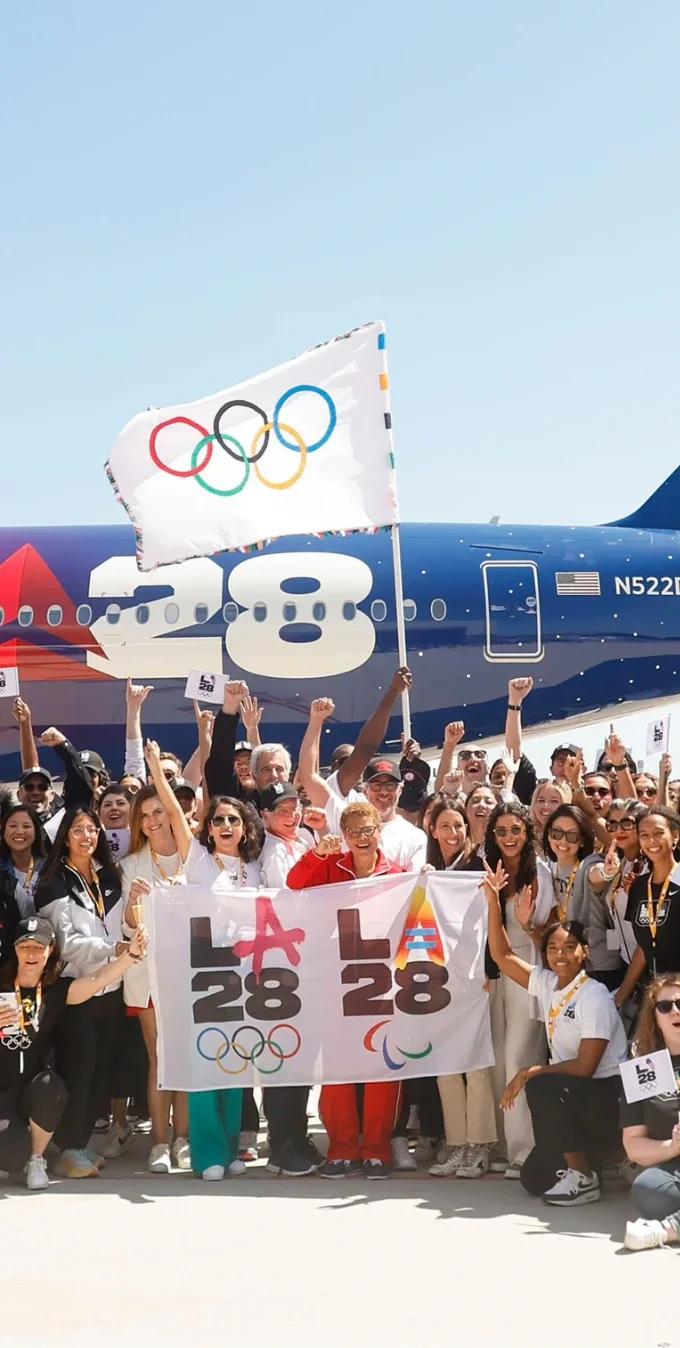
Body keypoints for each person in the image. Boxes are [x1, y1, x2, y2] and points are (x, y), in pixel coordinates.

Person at [133, 755, 263, 1181]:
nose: (226, 826)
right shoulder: (199, 861)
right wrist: (155, 766)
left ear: (244, 828)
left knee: (237, 1062)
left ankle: (229, 1150)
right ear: (207, 828)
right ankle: (207, 1153)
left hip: (243, 979)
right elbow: (172, 809)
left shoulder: (257, 868)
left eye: (234, 820)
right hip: (203, 977)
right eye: (219, 820)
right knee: (207, 1061)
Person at [483, 871, 627, 1205]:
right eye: (552, 948)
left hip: (606, 1096)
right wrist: (493, 903)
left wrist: (530, 1071)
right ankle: (588, 1158)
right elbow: (502, 956)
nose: (560, 954)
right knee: (535, 1180)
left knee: (540, 1085)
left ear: (584, 952)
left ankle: (587, 1176)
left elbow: (587, 1067)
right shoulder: (550, 984)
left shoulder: (595, 996)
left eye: (569, 947)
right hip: (576, 1094)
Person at [287, 801, 405, 1179]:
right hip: (335, 981)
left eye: (367, 829)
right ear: (344, 834)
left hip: (380, 982)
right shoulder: (330, 866)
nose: (361, 838)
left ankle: (376, 1149)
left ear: (379, 830)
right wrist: (316, 851)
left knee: (381, 1067)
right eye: (353, 831)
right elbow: (293, 884)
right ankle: (341, 1148)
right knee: (337, 1068)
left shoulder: (398, 873)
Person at [0, 915, 147, 1191]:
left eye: (38, 947)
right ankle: (16, 1152)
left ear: (50, 950)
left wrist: (131, 955)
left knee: (52, 1087)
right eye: (24, 947)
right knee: (9, 1154)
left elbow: (96, 979)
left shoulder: (54, 992)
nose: (31, 954)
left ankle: (36, 1159)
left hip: (31, 1089)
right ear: (15, 950)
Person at [33, 809, 128, 1178]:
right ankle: (67, 1147)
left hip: (112, 986)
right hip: (76, 990)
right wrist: (113, 948)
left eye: (92, 829)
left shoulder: (107, 875)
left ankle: (82, 1140)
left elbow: (120, 920)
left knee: (101, 1069)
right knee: (78, 1069)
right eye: (77, 830)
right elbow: (67, 945)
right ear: (65, 838)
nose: (86, 836)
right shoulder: (54, 881)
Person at [119, 756, 191, 1174]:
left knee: (182, 1053)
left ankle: (183, 1137)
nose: (151, 820)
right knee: (158, 1056)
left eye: (158, 811)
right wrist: (133, 903)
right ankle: (159, 1142)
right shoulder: (130, 865)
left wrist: (155, 770)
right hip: (147, 974)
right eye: (143, 816)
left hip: (189, 973)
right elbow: (127, 926)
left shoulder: (194, 857)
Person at [484, 802, 555, 1177]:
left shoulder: (540, 872)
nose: (509, 838)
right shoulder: (484, 872)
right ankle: (500, 1144)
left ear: (527, 833)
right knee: (495, 1057)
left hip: (528, 970)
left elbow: (552, 936)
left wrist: (528, 924)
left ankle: (524, 1151)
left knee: (518, 1058)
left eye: (516, 830)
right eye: (501, 831)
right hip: (492, 972)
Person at [425, 801, 496, 1179]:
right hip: (439, 979)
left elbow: (488, 922)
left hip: (475, 976)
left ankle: (480, 1144)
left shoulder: (475, 869)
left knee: (477, 1060)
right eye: (445, 826)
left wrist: (489, 965)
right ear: (432, 829)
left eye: (459, 826)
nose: (453, 833)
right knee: (447, 1064)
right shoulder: (429, 871)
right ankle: (456, 1143)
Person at [296, 669, 413, 833]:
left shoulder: (413, 836)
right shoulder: (346, 814)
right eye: (377, 785)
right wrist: (393, 692)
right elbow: (364, 749)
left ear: (400, 789)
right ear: (366, 789)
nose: (384, 792)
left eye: (391, 785)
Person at [621, 973, 680, 1250]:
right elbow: (633, 1146)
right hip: (673, 1168)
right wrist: (672, 1146)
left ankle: (668, 1229)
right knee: (647, 1189)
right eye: (665, 1007)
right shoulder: (642, 1068)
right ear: (654, 1017)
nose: (675, 1011)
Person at [616, 806, 680, 1008]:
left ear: (675, 835)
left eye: (659, 833)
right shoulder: (638, 886)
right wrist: (622, 993)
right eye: (644, 835)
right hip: (653, 992)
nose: (651, 841)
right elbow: (644, 947)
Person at [586, 800, 644, 989]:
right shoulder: (618, 862)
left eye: (627, 823)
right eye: (613, 824)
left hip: (649, 966)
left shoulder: (650, 868)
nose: (619, 829)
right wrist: (606, 872)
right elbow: (594, 878)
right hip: (624, 962)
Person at [542, 805, 598, 925]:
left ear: (582, 841)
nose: (563, 841)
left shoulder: (588, 868)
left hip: (586, 941)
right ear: (548, 834)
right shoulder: (546, 869)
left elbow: (598, 874)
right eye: (557, 833)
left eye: (572, 836)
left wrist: (606, 873)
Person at [259, 782, 315, 887]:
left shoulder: (302, 838)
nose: (291, 815)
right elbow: (283, 900)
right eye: (281, 811)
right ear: (265, 816)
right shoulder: (275, 853)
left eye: (294, 807)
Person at [0, 804, 48, 917]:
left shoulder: (49, 868)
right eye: (13, 826)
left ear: (36, 832)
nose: (19, 831)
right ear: (3, 832)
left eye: (26, 826)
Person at [97, 783, 133, 864]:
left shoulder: (144, 842)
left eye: (120, 803)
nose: (114, 808)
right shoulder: (92, 844)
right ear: (99, 814)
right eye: (107, 805)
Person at [529, 780, 571, 845]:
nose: (546, 806)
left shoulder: (571, 838)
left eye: (554, 801)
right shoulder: (526, 837)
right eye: (541, 800)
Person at [464, 784, 498, 853]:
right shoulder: (455, 844)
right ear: (465, 809)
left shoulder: (503, 846)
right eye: (475, 801)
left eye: (488, 802)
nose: (481, 805)